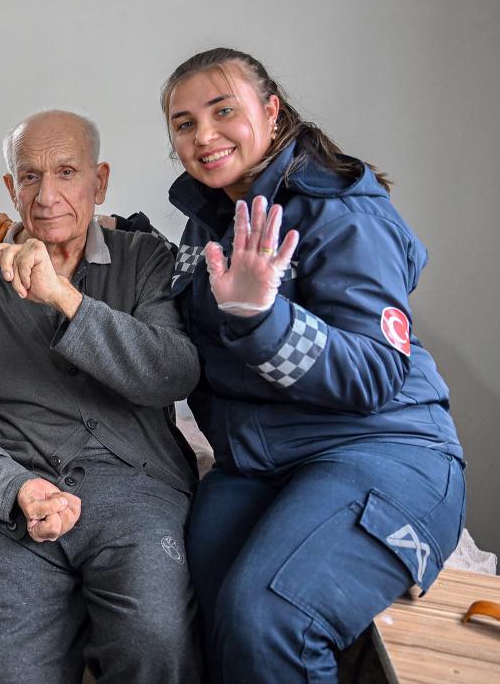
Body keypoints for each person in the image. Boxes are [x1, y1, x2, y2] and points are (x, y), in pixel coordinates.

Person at [161, 47, 466, 684]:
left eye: (223, 111)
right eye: (184, 123)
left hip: (380, 449)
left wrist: (262, 320)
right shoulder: (212, 219)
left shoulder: (344, 212)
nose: (204, 135)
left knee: (268, 616)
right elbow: (185, 296)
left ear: (271, 111)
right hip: (260, 462)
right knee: (188, 601)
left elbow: (374, 373)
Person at [0, 109, 202, 684]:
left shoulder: (145, 258)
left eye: (67, 172)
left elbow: (174, 374)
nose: (46, 196)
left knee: (156, 640)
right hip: (11, 502)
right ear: (10, 189)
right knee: (9, 673)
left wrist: (65, 298)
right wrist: (12, 487)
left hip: (135, 491)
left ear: (100, 181)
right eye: (30, 176)